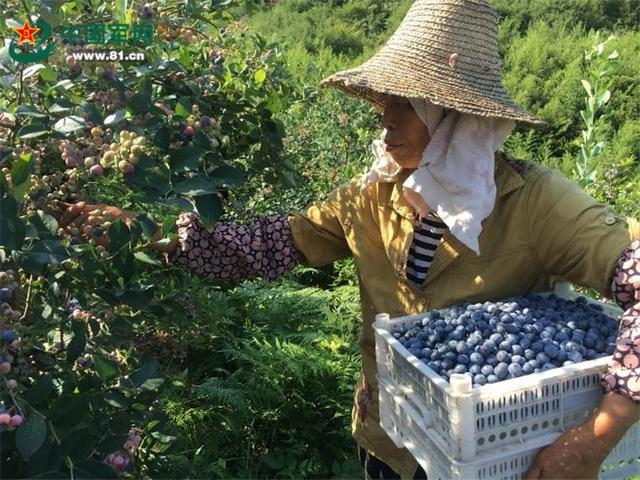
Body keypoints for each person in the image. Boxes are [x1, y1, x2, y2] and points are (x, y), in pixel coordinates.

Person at [56, 0, 640, 478]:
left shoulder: (537, 204)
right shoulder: (373, 196)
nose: (383, 117)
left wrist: (593, 438)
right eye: (383, 100)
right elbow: (268, 244)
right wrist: (141, 230)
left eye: (400, 102)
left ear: (453, 120)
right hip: (387, 440)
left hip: (498, 459)